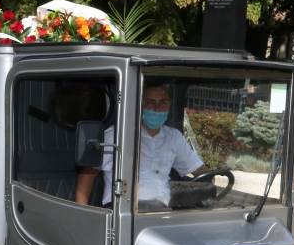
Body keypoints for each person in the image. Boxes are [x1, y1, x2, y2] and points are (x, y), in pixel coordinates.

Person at [75, 83, 204, 209]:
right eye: (151, 102)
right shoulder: (117, 134)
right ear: (140, 105)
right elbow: (87, 175)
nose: (157, 108)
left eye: (163, 102)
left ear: (169, 105)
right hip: (125, 210)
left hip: (164, 210)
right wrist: (82, 216)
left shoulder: (174, 136)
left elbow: (198, 170)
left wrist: (214, 179)